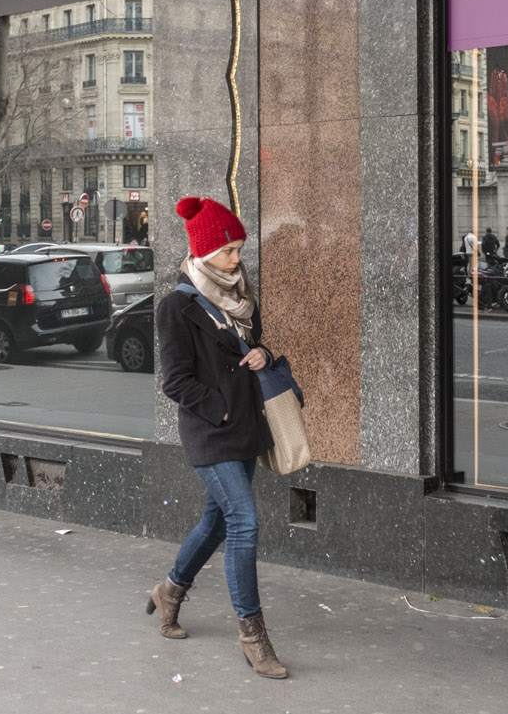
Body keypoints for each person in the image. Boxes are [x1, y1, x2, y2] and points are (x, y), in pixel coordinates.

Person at [146, 196, 289, 680]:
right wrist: (220, 406)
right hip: (211, 430)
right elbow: (175, 381)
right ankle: (253, 636)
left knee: (217, 521)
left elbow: (258, 346)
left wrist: (262, 355)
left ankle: (169, 590)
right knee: (244, 522)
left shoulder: (242, 297)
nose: (237, 259)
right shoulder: (177, 307)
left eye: (239, 249)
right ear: (206, 253)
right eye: (229, 251)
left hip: (246, 426)